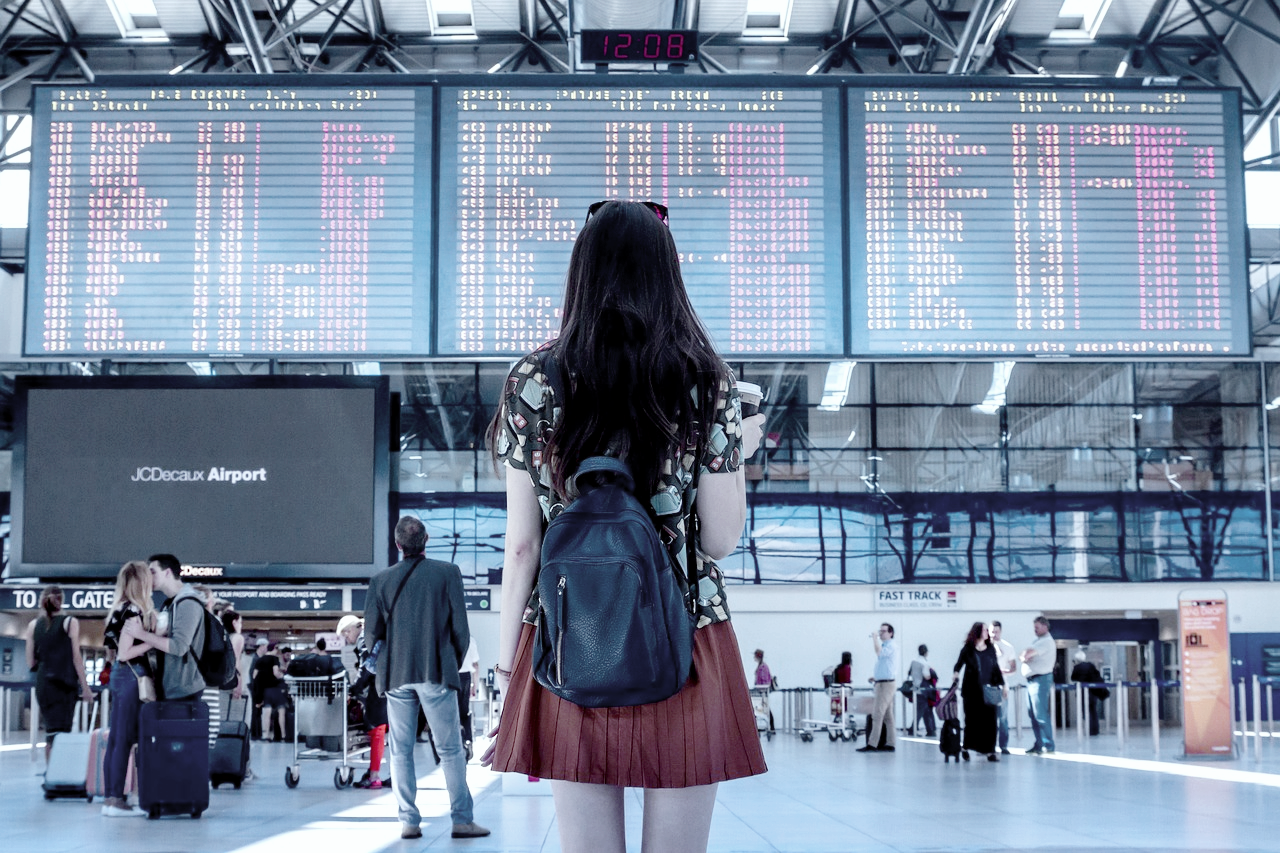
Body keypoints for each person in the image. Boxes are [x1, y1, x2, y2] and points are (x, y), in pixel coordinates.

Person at [484, 199, 768, 853]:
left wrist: (508, 665)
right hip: (687, 638)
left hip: (567, 635)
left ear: (581, 273)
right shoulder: (706, 380)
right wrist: (734, 454)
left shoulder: (533, 378)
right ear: (667, 274)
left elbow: (523, 543)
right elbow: (720, 540)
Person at [366, 515, 488, 840]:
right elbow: (461, 630)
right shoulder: (447, 573)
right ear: (427, 539)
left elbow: (370, 636)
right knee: (449, 749)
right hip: (436, 670)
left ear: (397, 544)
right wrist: (450, 661)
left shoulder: (380, 580)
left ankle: (408, 822)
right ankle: (462, 820)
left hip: (396, 676)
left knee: (400, 750)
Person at [100, 561, 157, 816]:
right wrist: (153, 641)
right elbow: (125, 653)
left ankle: (111, 796)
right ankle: (115, 800)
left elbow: (113, 653)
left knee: (116, 739)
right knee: (123, 741)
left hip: (119, 678)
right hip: (133, 678)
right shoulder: (134, 610)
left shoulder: (116, 610)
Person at [25, 584, 95, 760]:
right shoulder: (69, 622)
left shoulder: (33, 625)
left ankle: (51, 775)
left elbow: (30, 661)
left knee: (51, 731)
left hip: (44, 684)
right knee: (62, 731)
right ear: (61, 600)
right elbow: (76, 658)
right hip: (64, 685)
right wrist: (85, 687)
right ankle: (59, 775)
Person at [123, 554, 205, 703]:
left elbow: (179, 647)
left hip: (184, 690)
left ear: (167, 572)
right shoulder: (171, 604)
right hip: (173, 688)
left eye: (153, 572)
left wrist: (141, 634)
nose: (149, 577)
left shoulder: (187, 603)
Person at [337, 614, 387, 790]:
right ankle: (381, 773)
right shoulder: (375, 633)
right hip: (390, 685)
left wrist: (354, 688)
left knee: (376, 730)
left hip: (379, 688)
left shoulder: (364, 638)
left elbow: (368, 666)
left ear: (350, 629)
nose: (347, 640)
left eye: (345, 635)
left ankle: (374, 776)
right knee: (386, 732)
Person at [952, 622, 1005, 762]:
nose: (987, 632)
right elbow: (959, 664)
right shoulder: (968, 649)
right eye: (985, 630)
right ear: (978, 632)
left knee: (990, 721)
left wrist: (1002, 685)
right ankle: (966, 747)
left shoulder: (990, 649)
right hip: (971, 691)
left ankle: (990, 751)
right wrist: (956, 673)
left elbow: (996, 668)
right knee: (972, 720)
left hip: (989, 690)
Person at [857, 623, 898, 753]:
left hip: (886, 685)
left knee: (877, 714)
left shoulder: (891, 645)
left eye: (883, 631)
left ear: (891, 633)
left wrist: (874, 639)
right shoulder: (886, 646)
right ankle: (891, 743)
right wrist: (876, 677)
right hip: (882, 682)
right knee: (887, 716)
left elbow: (879, 653)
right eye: (880, 631)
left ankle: (872, 744)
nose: (881, 634)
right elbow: (886, 666)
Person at [1021, 615, 1057, 754]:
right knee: (1033, 715)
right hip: (1031, 681)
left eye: (1037, 627)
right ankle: (1039, 743)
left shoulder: (1046, 642)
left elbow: (1026, 654)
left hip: (1040, 680)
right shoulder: (1038, 641)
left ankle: (1048, 745)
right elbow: (1023, 655)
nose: (1034, 629)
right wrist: (1025, 656)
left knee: (1040, 714)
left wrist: (1026, 656)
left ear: (1045, 627)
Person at [990, 621, 1018, 755]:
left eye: (997, 631)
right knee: (987, 717)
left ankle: (1003, 745)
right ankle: (987, 745)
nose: (994, 634)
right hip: (987, 687)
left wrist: (1003, 672)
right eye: (992, 631)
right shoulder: (983, 647)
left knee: (1003, 718)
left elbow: (1013, 668)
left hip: (1001, 687)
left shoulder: (1008, 647)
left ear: (1001, 631)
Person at [253, 642, 288, 742]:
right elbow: (275, 673)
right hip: (275, 689)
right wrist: (283, 676)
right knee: (281, 711)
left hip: (265, 690)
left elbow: (254, 676)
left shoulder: (260, 659)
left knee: (266, 712)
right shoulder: (274, 659)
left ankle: (266, 735)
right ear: (274, 649)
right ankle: (283, 735)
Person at [1070, 650, 1106, 736]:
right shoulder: (1091, 666)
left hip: (1083, 692)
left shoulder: (1077, 667)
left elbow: (1073, 678)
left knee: (1086, 711)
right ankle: (1095, 730)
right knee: (1093, 710)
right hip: (1094, 692)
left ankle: (1089, 729)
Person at [907, 645, 937, 737]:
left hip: (915, 688)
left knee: (925, 709)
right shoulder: (924, 663)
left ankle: (930, 730)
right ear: (926, 652)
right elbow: (926, 676)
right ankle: (913, 729)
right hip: (923, 689)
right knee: (921, 710)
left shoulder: (913, 662)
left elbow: (909, 673)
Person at [458, 637, 479, 759]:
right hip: (466, 678)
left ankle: (458, 743)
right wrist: (474, 686)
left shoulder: (447, 636)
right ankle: (468, 740)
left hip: (451, 677)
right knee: (465, 712)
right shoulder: (470, 640)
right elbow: (475, 665)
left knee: (452, 712)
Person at [753, 649, 775, 733]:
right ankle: (771, 726)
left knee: (766, 708)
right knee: (765, 708)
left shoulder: (763, 667)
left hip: (763, 691)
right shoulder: (760, 666)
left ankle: (772, 726)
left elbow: (765, 680)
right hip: (760, 691)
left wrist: (761, 688)